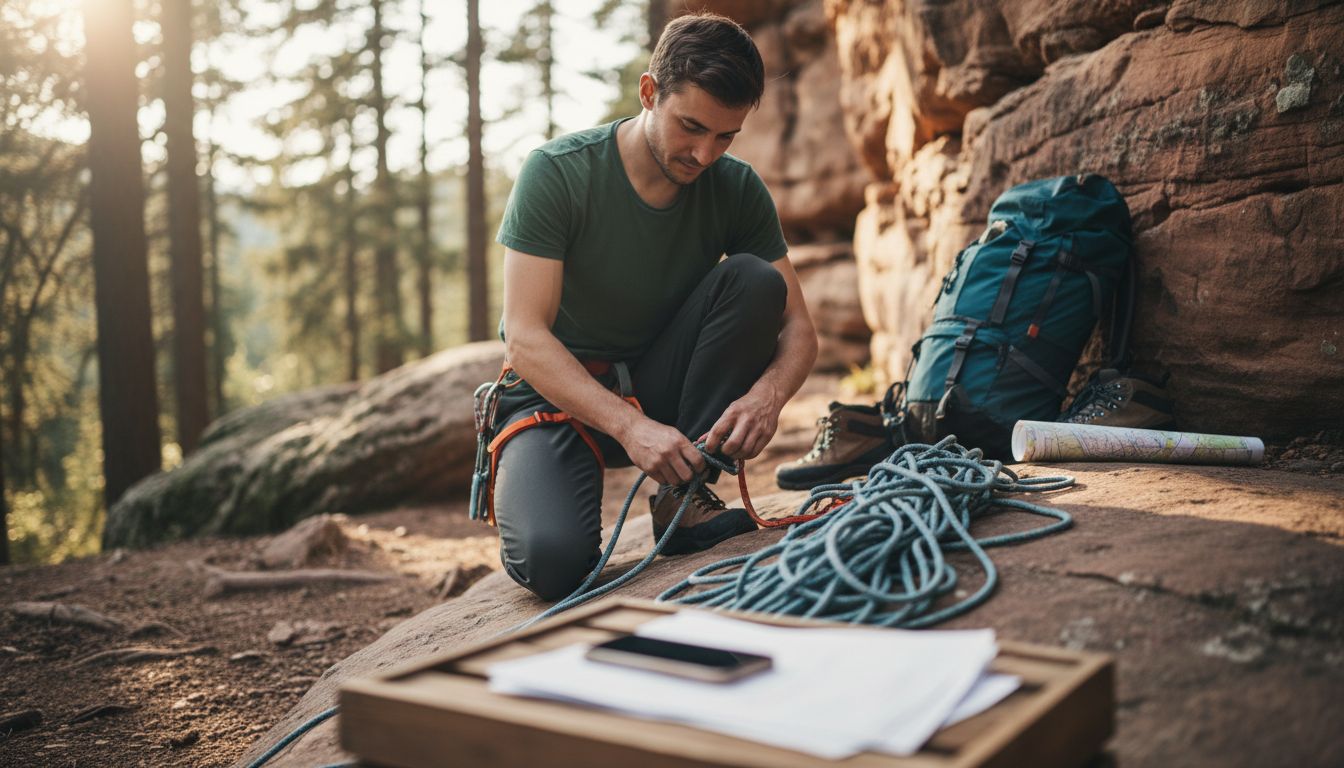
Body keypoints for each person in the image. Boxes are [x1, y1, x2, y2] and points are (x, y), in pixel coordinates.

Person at [489, 11, 818, 601]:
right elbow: (525, 338)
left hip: (662, 384)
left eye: (725, 136)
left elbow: (798, 327)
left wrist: (768, 397)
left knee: (754, 281)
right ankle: (574, 495)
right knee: (553, 565)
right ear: (649, 92)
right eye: (690, 126)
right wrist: (629, 426)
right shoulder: (557, 174)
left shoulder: (736, 188)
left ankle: (683, 499)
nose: (705, 154)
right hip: (555, 397)